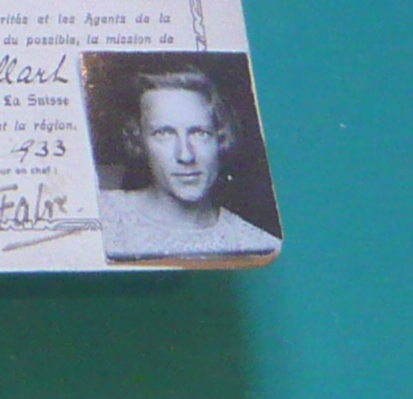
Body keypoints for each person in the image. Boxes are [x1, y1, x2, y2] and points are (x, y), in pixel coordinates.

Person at [95, 67, 278, 261]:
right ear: (139, 140)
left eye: (200, 133)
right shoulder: (100, 214)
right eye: (164, 133)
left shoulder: (256, 244)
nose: (186, 155)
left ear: (220, 138)